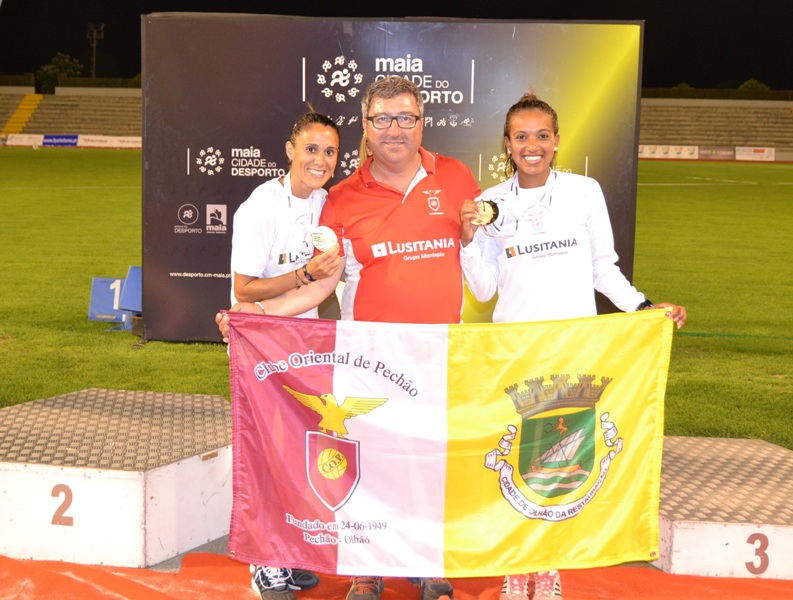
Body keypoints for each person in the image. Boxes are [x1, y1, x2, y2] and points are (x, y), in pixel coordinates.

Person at [218, 75, 480, 600]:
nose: (394, 129)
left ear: (421, 122)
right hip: (369, 356)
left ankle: (425, 562)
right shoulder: (340, 199)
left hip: (437, 353)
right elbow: (323, 284)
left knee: (426, 460)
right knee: (371, 461)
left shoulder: (456, 177)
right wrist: (253, 315)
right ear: (366, 125)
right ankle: (366, 568)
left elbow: (482, 261)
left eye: (405, 117)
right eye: (382, 119)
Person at [459, 92, 686, 600]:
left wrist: (644, 307)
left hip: (574, 349)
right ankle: (517, 564)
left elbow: (603, 268)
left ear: (557, 141)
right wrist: (469, 238)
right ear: (507, 144)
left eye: (542, 136)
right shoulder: (491, 201)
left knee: (560, 466)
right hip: (517, 349)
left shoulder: (584, 192)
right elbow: (483, 289)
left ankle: (550, 564)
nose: (532, 145)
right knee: (519, 462)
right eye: (522, 136)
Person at [229, 108, 342, 600]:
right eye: (311, 148)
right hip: (262, 344)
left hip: (305, 344)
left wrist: (312, 281)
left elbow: (329, 280)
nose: (320, 160)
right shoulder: (260, 207)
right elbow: (244, 288)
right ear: (291, 150)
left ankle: (287, 555)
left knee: (298, 452)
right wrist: (303, 275)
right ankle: (264, 564)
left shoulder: (327, 204)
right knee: (265, 452)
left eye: (330, 152)